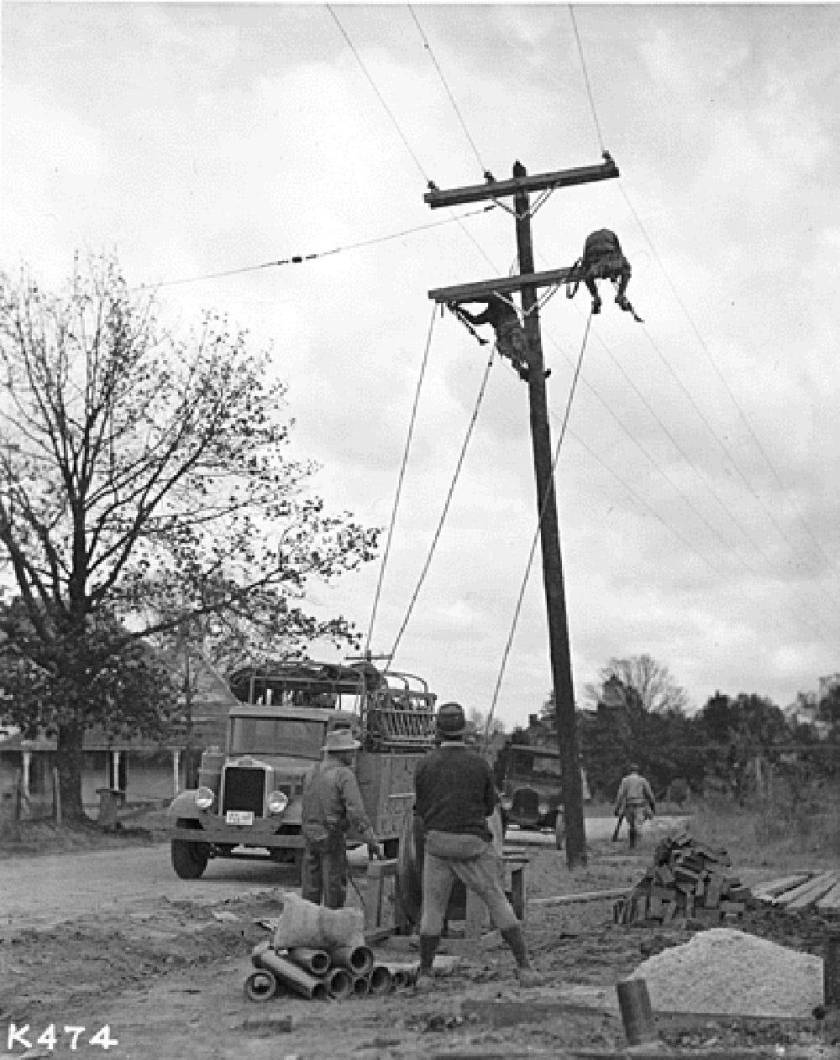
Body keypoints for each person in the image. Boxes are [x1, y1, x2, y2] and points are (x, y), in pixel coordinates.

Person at [413, 701, 542, 990]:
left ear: (437, 731)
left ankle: (425, 974)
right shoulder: (480, 764)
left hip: (437, 844)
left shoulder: (424, 765)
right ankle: (524, 968)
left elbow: (420, 810)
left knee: (432, 910)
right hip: (473, 845)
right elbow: (488, 809)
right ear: (464, 732)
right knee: (496, 899)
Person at [300, 729, 382, 908]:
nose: (354, 755)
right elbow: (357, 812)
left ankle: (308, 926)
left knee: (310, 889)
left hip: (309, 834)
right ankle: (331, 928)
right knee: (334, 888)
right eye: (351, 751)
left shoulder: (311, 771)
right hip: (331, 835)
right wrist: (372, 840)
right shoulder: (344, 775)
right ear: (342, 753)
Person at [453, 293, 543, 382]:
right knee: (490, 301)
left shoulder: (512, 352)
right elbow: (518, 340)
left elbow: (515, 361)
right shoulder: (524, 348)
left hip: (498, 319)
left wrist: (458, 307)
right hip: (505, 313)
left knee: (476, 319)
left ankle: (459, 304)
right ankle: (459, 302)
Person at [580, 229, 642, 322]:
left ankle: (596, 297)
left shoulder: (590, 237)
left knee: (587, 276)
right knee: (626, 270)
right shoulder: (611, 234)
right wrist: (615, 272)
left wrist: (586, 267)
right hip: (610, 260)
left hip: (595, 264)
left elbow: (585, 260)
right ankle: (620, 296)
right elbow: (619, 252)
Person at [613, 764, 655, 848]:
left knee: (631, 825)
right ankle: (638, 845)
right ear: (638, 771)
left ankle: (632, 845)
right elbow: (649, 794)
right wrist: (652, 806)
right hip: (640, 805)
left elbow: (620, 795)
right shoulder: (642, 780)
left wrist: (617, 808)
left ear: (630, 771)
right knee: (638, 825)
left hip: (629, 806)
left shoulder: (625, 780)